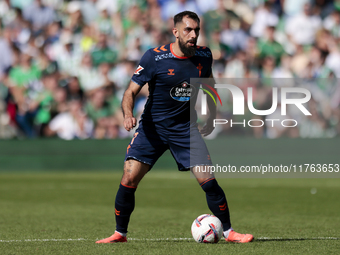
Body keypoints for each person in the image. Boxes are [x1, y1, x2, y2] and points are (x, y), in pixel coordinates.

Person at [96, 11, 253, 244]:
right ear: (176, 32)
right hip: (152, 128)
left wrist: (211, 116)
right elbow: (130, 91)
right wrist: (128, 115)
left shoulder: (204, 56)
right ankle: (120, 233)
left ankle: (229, 233)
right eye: (188, 30)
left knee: (208, 181)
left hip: (185, 129)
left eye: (197, 30)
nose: (193, 35)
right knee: (129, 178)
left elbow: (210, 85)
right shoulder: (153, 58)